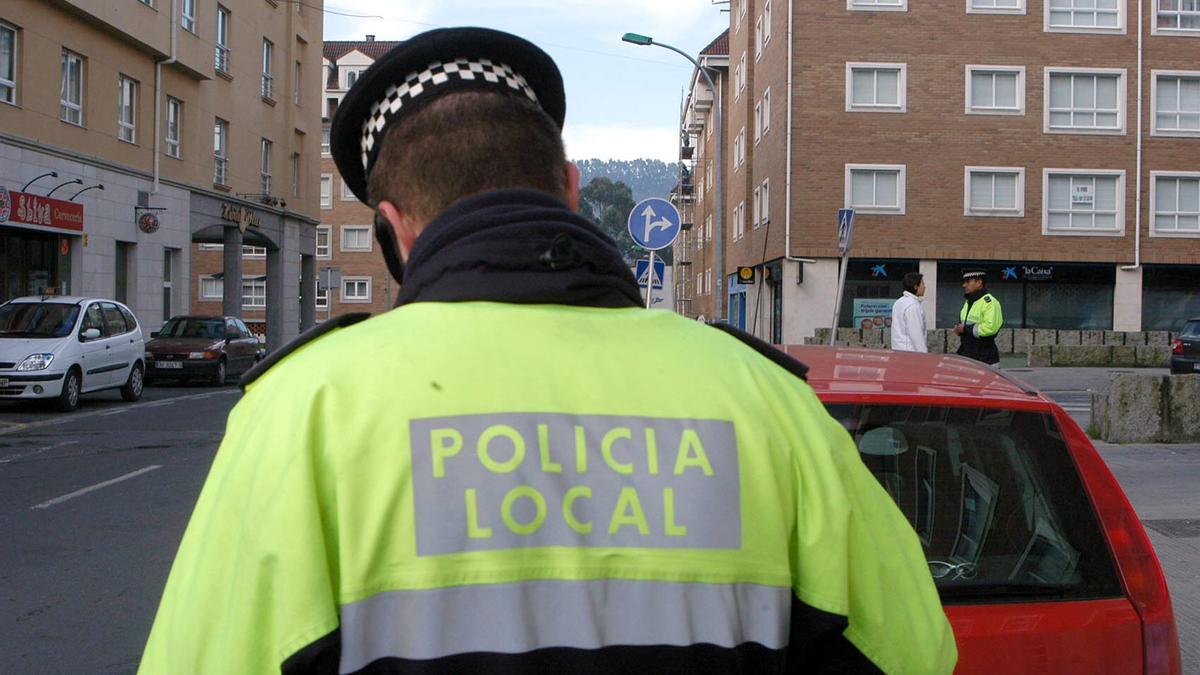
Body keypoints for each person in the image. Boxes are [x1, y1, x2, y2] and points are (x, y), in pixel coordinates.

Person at [139, 27, 955, 675]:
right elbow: (912, 651)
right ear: (568, 187)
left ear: (392, 229)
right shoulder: (766, 400)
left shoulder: (304, 412)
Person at [954, 268, 1004, 365]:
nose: (964, 285)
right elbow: (965, 325)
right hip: (968, 356)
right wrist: (960, 330)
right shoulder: (968, 302)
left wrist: (965, 329)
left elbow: (990, 329)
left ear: (979, 282)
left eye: (968, 282)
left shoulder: (990, 303)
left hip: (985, 359)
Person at [890, 272, 928, 352]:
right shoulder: (913, 306)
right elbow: (916, 335)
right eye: (922, 284)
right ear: (915, 287)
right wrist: (924, 356)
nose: (925, 287)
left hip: (898, 351)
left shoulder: (899, 302)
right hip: (911, 353)